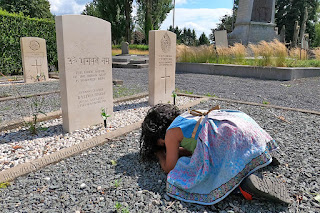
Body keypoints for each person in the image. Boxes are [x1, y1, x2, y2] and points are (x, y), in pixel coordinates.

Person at [140, 104, 291, 205]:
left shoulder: (170, 134)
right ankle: (257, 157)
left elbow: (169, 167)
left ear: (157, 138)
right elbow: (197, 145)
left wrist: (160, 155)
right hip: (246, 131)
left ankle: (243, 183)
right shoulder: (186, 116)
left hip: (232, 141)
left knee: (183, 174)